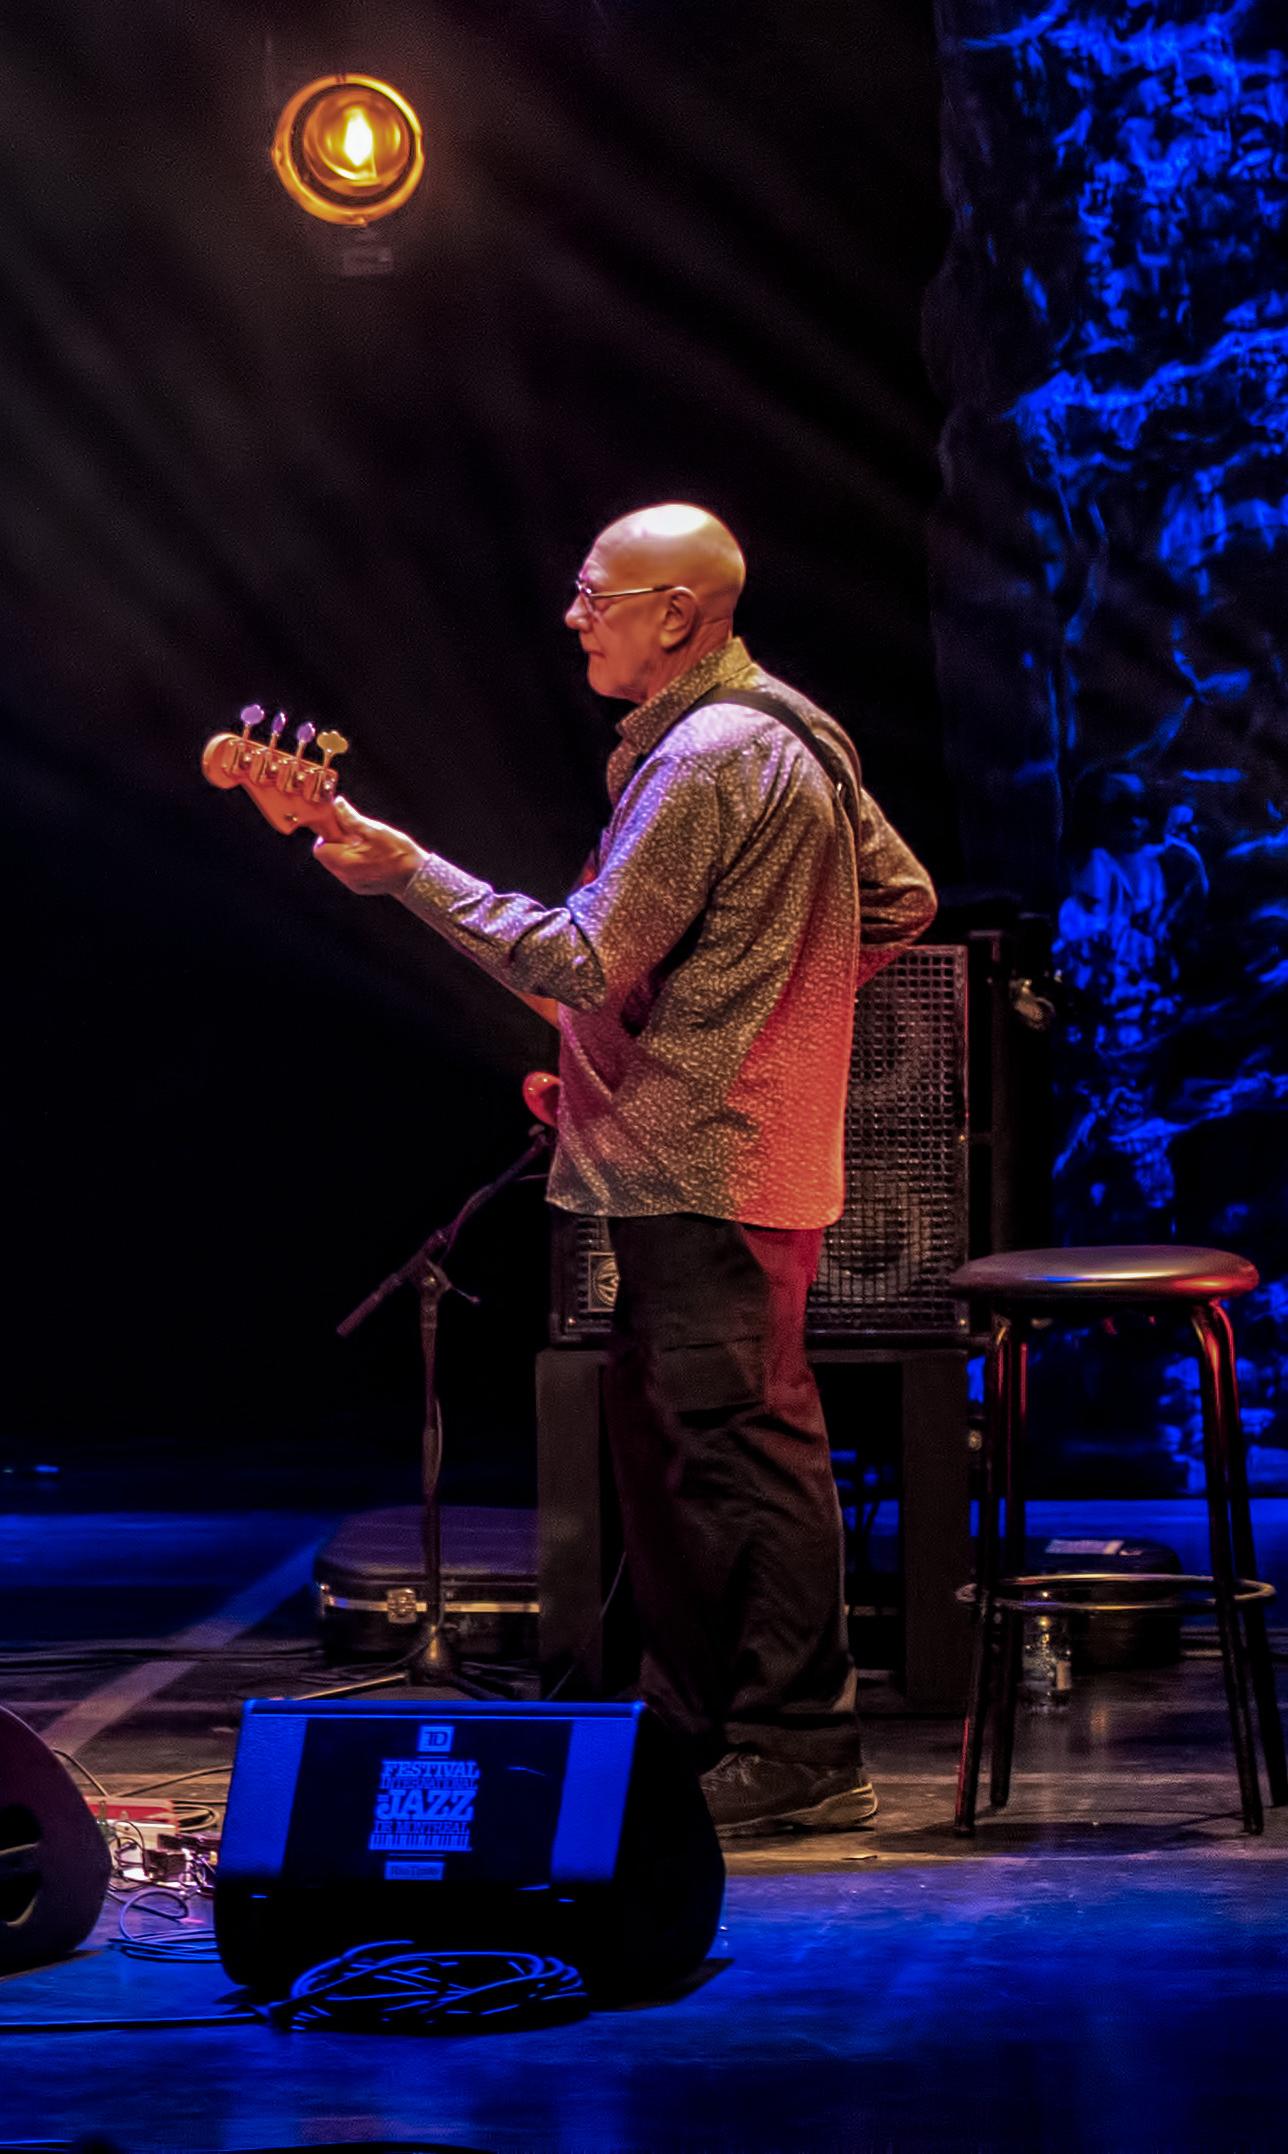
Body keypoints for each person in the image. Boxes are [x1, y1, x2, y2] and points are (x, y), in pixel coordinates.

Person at [304, 504, 934, 1837]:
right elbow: (897, 898)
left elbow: (578, 956)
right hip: (709, 1148)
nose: (571, 614)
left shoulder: (710, 754)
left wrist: (406, 871)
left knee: (739, 1453)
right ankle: (716, 1730)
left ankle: (800, 1749)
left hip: (703, 1162)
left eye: (596, 595)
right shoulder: (790, 724)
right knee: (692, 1448)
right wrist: (728, 1028)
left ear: (674, 614)